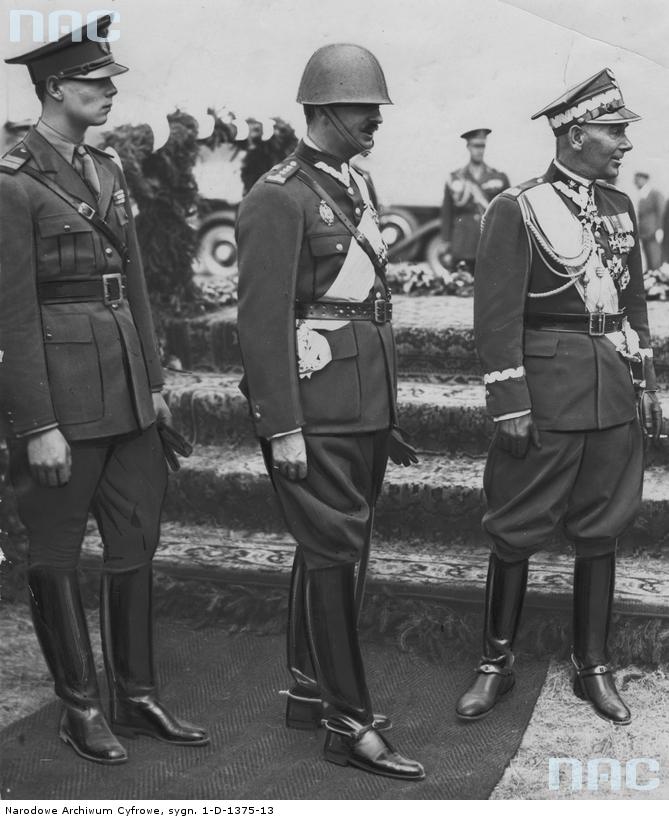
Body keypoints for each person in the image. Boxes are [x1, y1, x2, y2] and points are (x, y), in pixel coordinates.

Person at [0, 16, 208, 764]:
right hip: (63, 401)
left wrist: (153, 384)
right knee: (56, 554)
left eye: (110, 80)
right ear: (55, 87)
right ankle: (79, 707)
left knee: (133, 545)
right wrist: (37, 424)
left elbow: (136, 287)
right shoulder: (13, 180)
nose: (109, 92)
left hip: (126, 394)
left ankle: (137, 695)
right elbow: (14, 316)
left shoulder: (110, 170)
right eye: (95, 81)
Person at [236, 43, 424, 781]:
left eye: (374, 107)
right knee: (334, 556)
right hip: (312, 411)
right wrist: (280, 426)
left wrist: (382, 409)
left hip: (359, 406)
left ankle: (309, 688)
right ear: (319, 111)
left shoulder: (355, 181)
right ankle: (346, 724)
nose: (374, 119)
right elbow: (260, 324)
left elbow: (364, 306)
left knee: (338, 553)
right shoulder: (277, 196)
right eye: (359, 109)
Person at [456, 68, 662, 726]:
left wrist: (646, 381)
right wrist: (508, 402)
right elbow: (494, 317)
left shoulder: (619, 208)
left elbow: (631, 303)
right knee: (516, 528)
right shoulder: (515, 208)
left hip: (610, 387)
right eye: (613, 130)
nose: (623, 143)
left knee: (599, 527)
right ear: (576, 135)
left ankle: (591, 665)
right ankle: (495, 662)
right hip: (544, 392)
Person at [440, 128, 510, 272]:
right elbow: (447, 212)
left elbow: (506, 212)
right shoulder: (456, 177)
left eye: (482, 146)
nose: (480, 150)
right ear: (468, 147)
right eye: (476, 146)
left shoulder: (498, 177)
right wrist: (446, 241)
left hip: (488, 241)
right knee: (461, 285)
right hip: (462, 242)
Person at [633, 171, 664, 271]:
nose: (636, 182)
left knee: (656, 262)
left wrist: (660, 229)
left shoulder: (654, 193)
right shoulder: (642, 195)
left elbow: (662, 211)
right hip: (644, 234)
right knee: (650, 262)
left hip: (653, 234)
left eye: (638, 179)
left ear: (645, 179)